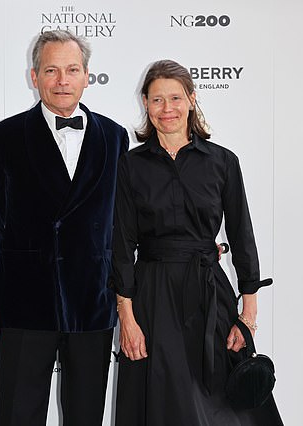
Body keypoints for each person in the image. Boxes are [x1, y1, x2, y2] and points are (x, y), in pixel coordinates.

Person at [0, 30, 128, 425]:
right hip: (24, 301)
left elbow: (125, 226)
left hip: (93, 301)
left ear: (87, 76)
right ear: (34, 76)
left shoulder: (115, 137)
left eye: (72, 70)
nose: (62, 80)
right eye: (51, 70)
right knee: (18, 416)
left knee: (86, 416)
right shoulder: (3, 136)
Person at [110, 59, 283, 425]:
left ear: (191, 99)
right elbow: (121, 246)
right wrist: (127, 318)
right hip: (153, 298)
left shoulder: (222, 162)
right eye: (157, 100)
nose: (167, 109)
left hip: (210, 296)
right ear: (145, 103)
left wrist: (247, 317)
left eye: (175, 98)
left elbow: (242, 236)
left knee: (222, 404)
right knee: (167, 404)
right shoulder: (130, 166)